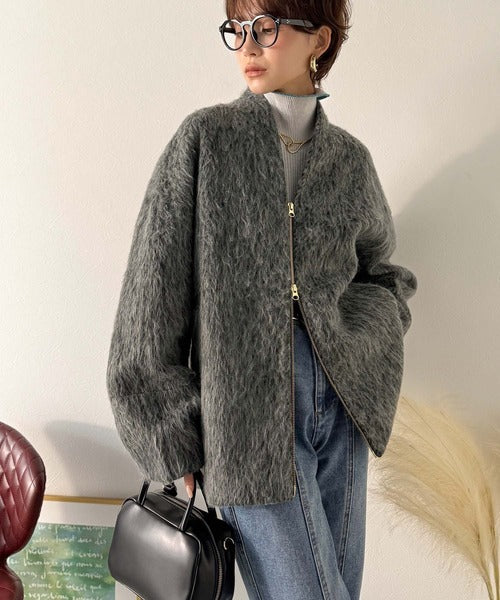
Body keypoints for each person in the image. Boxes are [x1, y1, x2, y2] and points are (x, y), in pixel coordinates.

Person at [106, 1, 417, 599]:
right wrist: (169, 435)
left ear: (318, 40)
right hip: (244, 418)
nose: (248, 46)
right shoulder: (206, 140)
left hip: (343, 405)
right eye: (238, 29)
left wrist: (369, 343)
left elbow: (382, 274)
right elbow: (150, 298)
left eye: (267, 27)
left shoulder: (350, 160)